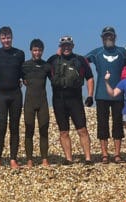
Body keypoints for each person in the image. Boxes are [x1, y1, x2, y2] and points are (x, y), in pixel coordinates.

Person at [48, 36, 94, 165]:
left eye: (68, 45)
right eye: (64, 45)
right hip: (58, 99)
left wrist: (90, 95)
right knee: (63, 131)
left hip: (75, 99)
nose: (66, 48)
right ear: (60, 47)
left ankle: (88, 158)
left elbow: (89, 77)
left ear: (72, 46)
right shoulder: (52, 60)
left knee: (82, 130)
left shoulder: (80, 60)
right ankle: (68, 158)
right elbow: (41, 72)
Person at [85, 26, 126, 164]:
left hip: (118, 94)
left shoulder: (122, 52)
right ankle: (104, 154)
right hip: (101, 94)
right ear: (102, 38)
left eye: (111, 36)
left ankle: (116, 154)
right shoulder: (97, 53)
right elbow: (82, 61)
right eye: (106, 36)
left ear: (115, 37)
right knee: (102, 124)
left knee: (118, 124)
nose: (108, 38)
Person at [0, 26, 25, 169]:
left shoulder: (19, 53)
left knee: (14, 127)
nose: (6, 40)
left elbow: (23, 71)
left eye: (8, 37)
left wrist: (24, 80)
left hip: (15, 93)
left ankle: (13, 159)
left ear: (12, 37)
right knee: (1, 126)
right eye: (3, 38)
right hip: (1, 95)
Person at [21, 39, 51, 167]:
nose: (37, 52)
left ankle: (44, 158)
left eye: (39, 50)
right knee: (29, 129)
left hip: (42, 101)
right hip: (29, 101)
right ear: (31, 51)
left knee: (44, 129)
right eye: (35, 50)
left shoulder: (46, 66)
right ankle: (29, 159)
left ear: (42, 51)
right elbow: (15, 77)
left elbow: (55, 80)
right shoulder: (25, 65)